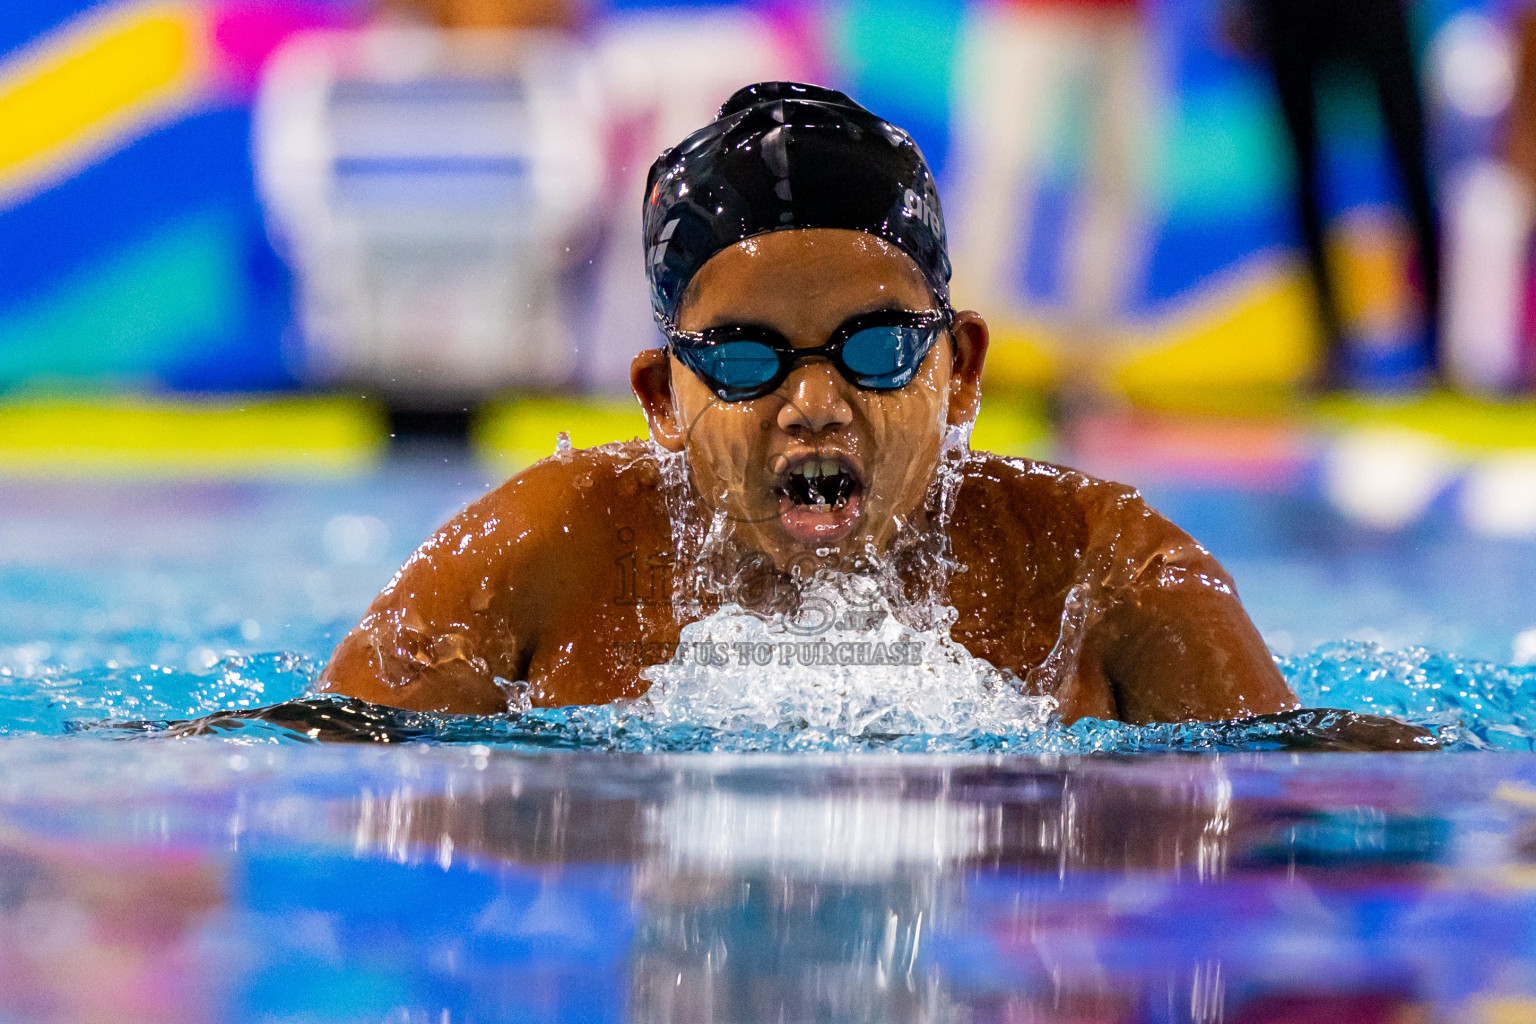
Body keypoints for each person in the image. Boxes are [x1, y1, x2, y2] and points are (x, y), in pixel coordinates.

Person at [317, 82, 1408, 734]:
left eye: (877, 348)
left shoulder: (1110, 577)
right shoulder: (540, 552)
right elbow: (299, 771)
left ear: (961, 369)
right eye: (746, 359)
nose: (815, 405)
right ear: (661, 395)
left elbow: (1322, 813)